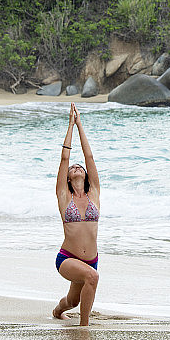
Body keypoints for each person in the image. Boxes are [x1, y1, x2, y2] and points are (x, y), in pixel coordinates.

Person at [53, 102, 100, 326]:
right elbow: (65, 159)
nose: (77, 167)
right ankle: (84, 327)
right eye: (73, 168)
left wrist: (81, 125)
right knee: (92, 277)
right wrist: (70, 125)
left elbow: (89, 157)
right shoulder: (64, 197)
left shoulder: (94, 194)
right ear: (68, 178)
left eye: (80, 167)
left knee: (72, 301)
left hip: (91, 259)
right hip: (67, 258)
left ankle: (58, 310)